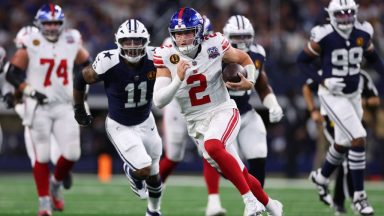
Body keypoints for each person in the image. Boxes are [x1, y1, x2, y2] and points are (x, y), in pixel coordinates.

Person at [153, 7, 283, 216]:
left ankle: (250, 202)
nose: (183, 38)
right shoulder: (166, 55)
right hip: (196, 121)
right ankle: (272, 205)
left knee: (213, 146)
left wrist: (248, 82)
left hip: (222, 110)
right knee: (238, 172)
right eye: (178, 33)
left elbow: (244, 58)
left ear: (198, 32)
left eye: (188, 32)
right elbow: (159, 100)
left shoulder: (214, 44)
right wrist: (178, 78)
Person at [297, 0, 384, 215]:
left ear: (355, 13)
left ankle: (322, 176)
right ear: (331, 15)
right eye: (340, 14)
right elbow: (301, 61)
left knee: (343, 142)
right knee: (358, 136)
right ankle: (359, 198)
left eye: (348, 13)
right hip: (332, 95)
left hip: (353, 95)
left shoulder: (363, 31)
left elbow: (374, 59)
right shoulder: (324, 35)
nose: (345, 17)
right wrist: (322, 80)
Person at [5, 4, 91, 216]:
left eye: (55, 22)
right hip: (39, 107)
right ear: (39, 24)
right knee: (41, 157)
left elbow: (88, 65)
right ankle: (44, 204)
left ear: (62, 23)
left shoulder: (71, 41)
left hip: (64, 105)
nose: (52, 27)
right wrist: (30, 91)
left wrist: (81, 86)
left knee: (72, 153)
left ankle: (56, 183)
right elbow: (13, 74)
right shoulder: (31, 42)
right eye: (47, 23)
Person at [73, 19, 163, 216]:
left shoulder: (157, 57)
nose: (132, 46)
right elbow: (81, 78)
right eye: (127, 41)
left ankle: (153, 211)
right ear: (119, 42)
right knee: (144, 168)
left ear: (146, 41)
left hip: (147, 121)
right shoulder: (108, 61)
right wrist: (79, 108)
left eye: (137, 41)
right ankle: (132, 172)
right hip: (120, 125)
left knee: (155, 174)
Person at [159, 15, 228, 216]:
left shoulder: (213, 45)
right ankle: (155, 191)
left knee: (209, 150)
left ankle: (213, 202)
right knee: (174, 155)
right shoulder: (168, 48)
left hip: (203, 106)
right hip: (177, 105)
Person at [302, 70, 380, 215]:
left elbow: (376, 99)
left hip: (352, 121)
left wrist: (364, 101)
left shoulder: (362, 75)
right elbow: (306, 85)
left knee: (347, 157)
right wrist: (313, 110)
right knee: (345, 160)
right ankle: (351, 200)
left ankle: (322, 178)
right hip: (331, 122)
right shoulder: (327, 71)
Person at [13, 25, 74, 190]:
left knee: (42, 155)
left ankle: (52, 189)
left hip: (42, 110)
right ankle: (54, 187)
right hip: (43, 110)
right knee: (48, 154)